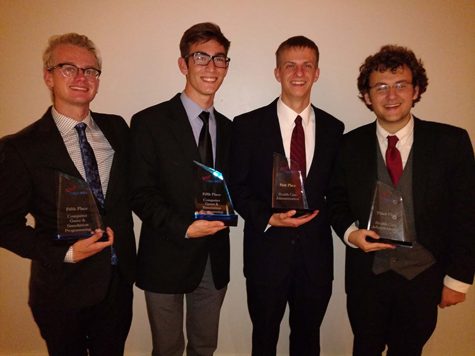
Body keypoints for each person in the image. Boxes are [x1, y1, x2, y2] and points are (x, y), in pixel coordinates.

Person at [328, 45, 475, 356]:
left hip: (423, 277)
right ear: (367, 96)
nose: (391, 95)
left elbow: (467, 213)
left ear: (416, 89)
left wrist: (459, 280)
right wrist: (350, 234)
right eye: (380, 87)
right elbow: (336, 200)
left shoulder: (451, 142)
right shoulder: (348, 145)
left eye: (400, 85)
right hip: (367, 277)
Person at [0, 33, 136, 355]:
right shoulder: (20, 148)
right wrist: (67, 253)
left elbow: (137, 189)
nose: (80, 77)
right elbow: (4, 224)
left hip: (117, 284)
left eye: (90, 70)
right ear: (48, 75)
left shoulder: (118, 129)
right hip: (61, 290)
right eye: (68, 68)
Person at [229, 36, 344, 356]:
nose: (299, 72)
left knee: (308, 340)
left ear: (317, 73)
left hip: (316, 258)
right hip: (266, 255)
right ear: (277, 72)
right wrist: (266, 217)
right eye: (290, 65)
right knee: (263, 339)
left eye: (307, 65)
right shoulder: (247, 126)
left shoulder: (335, 129)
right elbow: (236, 188)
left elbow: (336, 192)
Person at [130, 22, 232, 356]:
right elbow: (140, 193)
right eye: (201, 57)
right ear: (182, 64)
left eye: (219, 58)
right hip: (165, 254)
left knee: (204, 347)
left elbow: (240, 188)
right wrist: (185, 227)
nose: (211, 67)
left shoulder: (232, 130)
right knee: (167, 348)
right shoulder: (149, 122)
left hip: (212, 259)